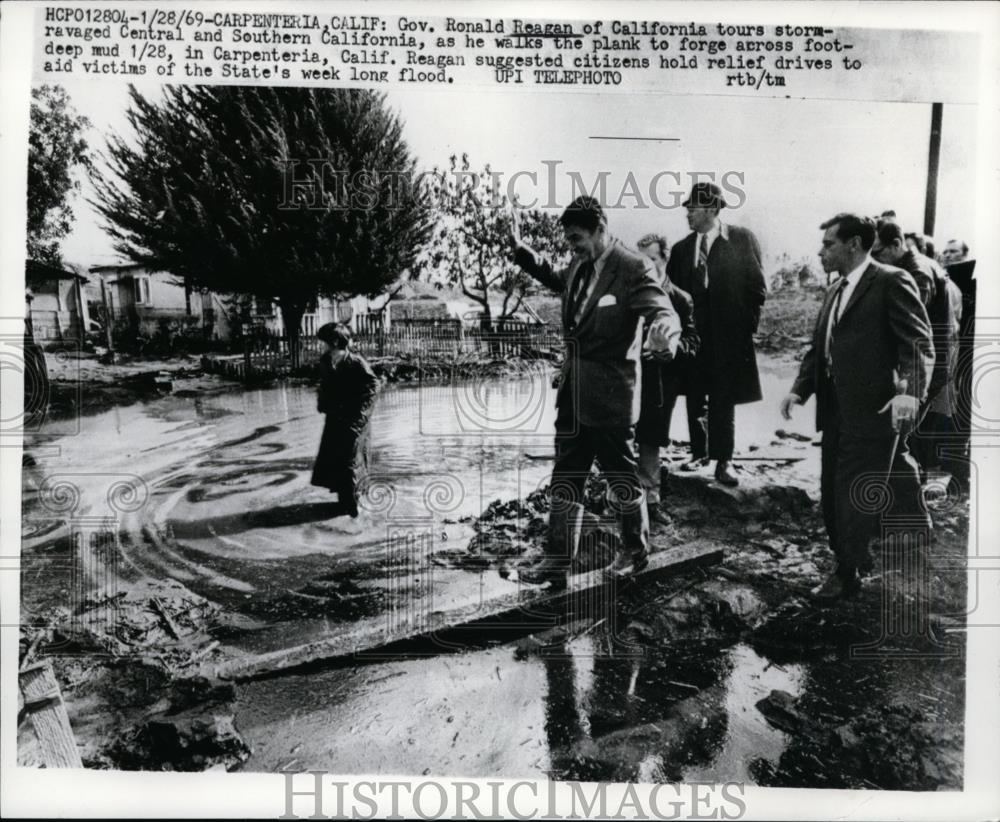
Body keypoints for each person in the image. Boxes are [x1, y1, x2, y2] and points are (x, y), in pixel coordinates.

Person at [512, 196, 681, 587]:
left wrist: (665, 334)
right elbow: (555, 277)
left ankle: (635, 552)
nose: (572, 247)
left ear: (600, 228)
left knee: (620, 477)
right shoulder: (579, 263)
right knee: (565, 478)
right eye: (569, 240)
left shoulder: (633, 266)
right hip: (573, 393)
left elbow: (662, 310)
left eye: (577, 238)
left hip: (610, 398)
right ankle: (557, 563)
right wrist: (522, 252)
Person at [780, 214, 933, 600]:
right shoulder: (835, 289)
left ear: (854, 244)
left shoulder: (891, 281)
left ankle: (847, 571)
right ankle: (867, 552)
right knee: (833, 487)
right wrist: (799, 390)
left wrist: (910, 393)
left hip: (873, 410)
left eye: (828, 244)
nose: (821, 252)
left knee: (852, 493)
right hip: (834, 408)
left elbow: (917, 344)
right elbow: (821, 347)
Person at [666, 182, 767, 486]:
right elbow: (670, 295)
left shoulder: (741, 239)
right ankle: (699, 453)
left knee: (724, 398)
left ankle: (724, 461)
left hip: (728, 339)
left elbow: (757, 289)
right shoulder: (681, 249)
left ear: (711, 208)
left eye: (693, 207)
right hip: (693, 338)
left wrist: (743, 331)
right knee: (694, 395)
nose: (688, 213)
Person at [873, 221, 962, 475]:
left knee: (895, 440)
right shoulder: (917, 266)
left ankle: (904, 492)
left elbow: (911, 326)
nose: (873, 260)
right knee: (898, 440)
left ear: (896, 245)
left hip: (924, 368)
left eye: (877, 252)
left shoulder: (918, 273)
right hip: (926, 365)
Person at [635, 233, 700, 525]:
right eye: (640, 261)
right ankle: (621, 500)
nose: (645, 266)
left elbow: (693, 341)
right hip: (629, 378)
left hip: (662, 381)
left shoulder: (680, 299)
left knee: (652, 438)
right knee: (620, 437)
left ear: (665, 259)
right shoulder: (630, 293)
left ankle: (651, 502)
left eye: (652, 259)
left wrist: (670, 352)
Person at [310, 322, 379, 518]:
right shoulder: (326, 360)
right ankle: (343, 503)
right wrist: (322, 402)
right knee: (335, 458)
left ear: (334, 342)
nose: (321, 345)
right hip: (335, 418)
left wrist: (361, 417)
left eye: (323, 341)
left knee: (351, 460)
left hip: (355, 419)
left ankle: (354, 508)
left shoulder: (356, 362)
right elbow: (324, 383)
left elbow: (373, 387)